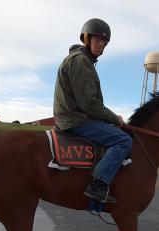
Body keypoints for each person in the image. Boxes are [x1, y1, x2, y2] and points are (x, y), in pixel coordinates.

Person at [53, 18, 132, 203]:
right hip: (76, 120)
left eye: (105, 41)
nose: (101, 44)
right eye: (98, 39)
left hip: (75, 117)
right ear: (86, 39)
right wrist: (114, 118)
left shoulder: (83, 60)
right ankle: (98, 185)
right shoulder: (81, 61)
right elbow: (89, 103)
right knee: (123, 139)